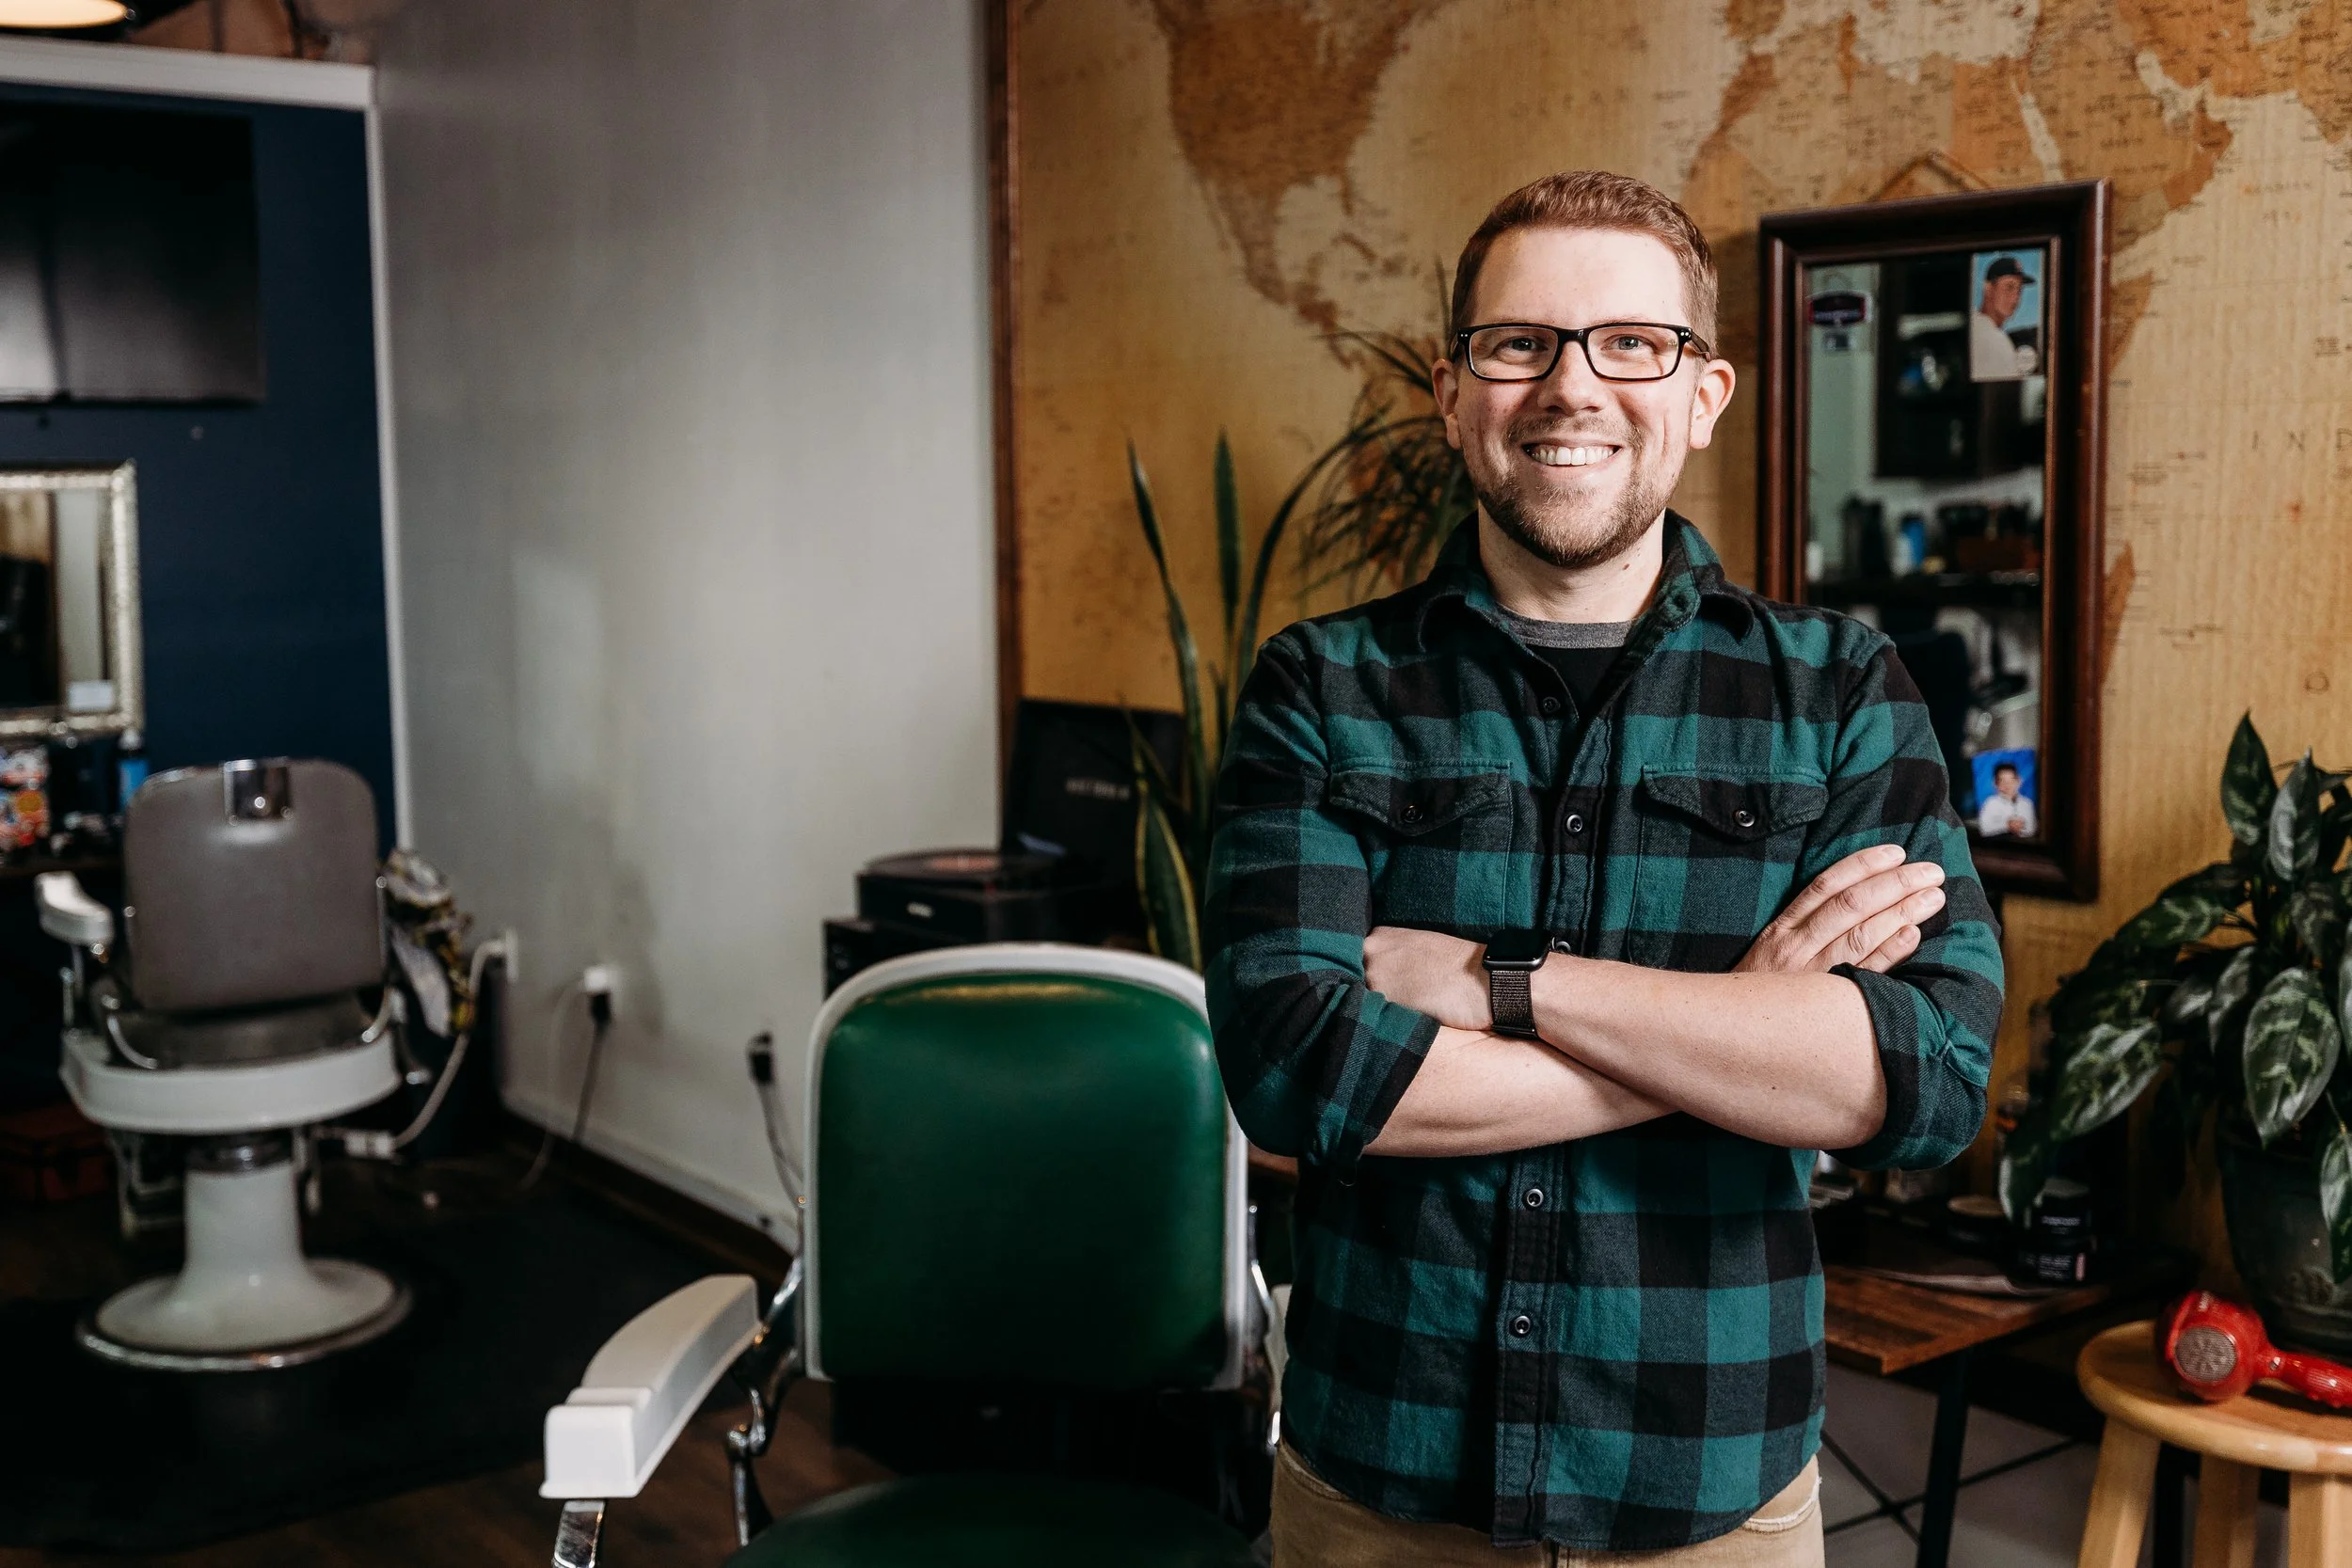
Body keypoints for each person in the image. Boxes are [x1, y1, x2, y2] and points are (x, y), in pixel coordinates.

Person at [1205, 170, 2004, 1566]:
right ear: (1453, 393)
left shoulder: (1838, 692)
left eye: (1630, 343)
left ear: (1704, 394)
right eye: (1520, 342)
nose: (1571, 386)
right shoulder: (1321, 686)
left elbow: (1923, 1075)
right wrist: (1737, 1025)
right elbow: (1296, 1068)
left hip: (1714, 1500)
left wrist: (1496, 979)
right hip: (1382, 1485)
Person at [1969, 256, 2037, 380]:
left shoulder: (1975, 325)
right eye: (2009, 287)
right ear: (1988, 288)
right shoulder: (1994, 340)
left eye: (2019, 290)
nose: (2016, 298)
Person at [1978, 761, 2036, 837]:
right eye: (2003, 781)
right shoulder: (1990, 803)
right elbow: (1983, 828)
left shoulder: (2027, 803)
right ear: (1995, 784)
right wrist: (2007, 825)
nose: (2007, 785)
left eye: (2011, 780)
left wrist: (2019, 827)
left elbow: (2032, 829)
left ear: (2019, 781)